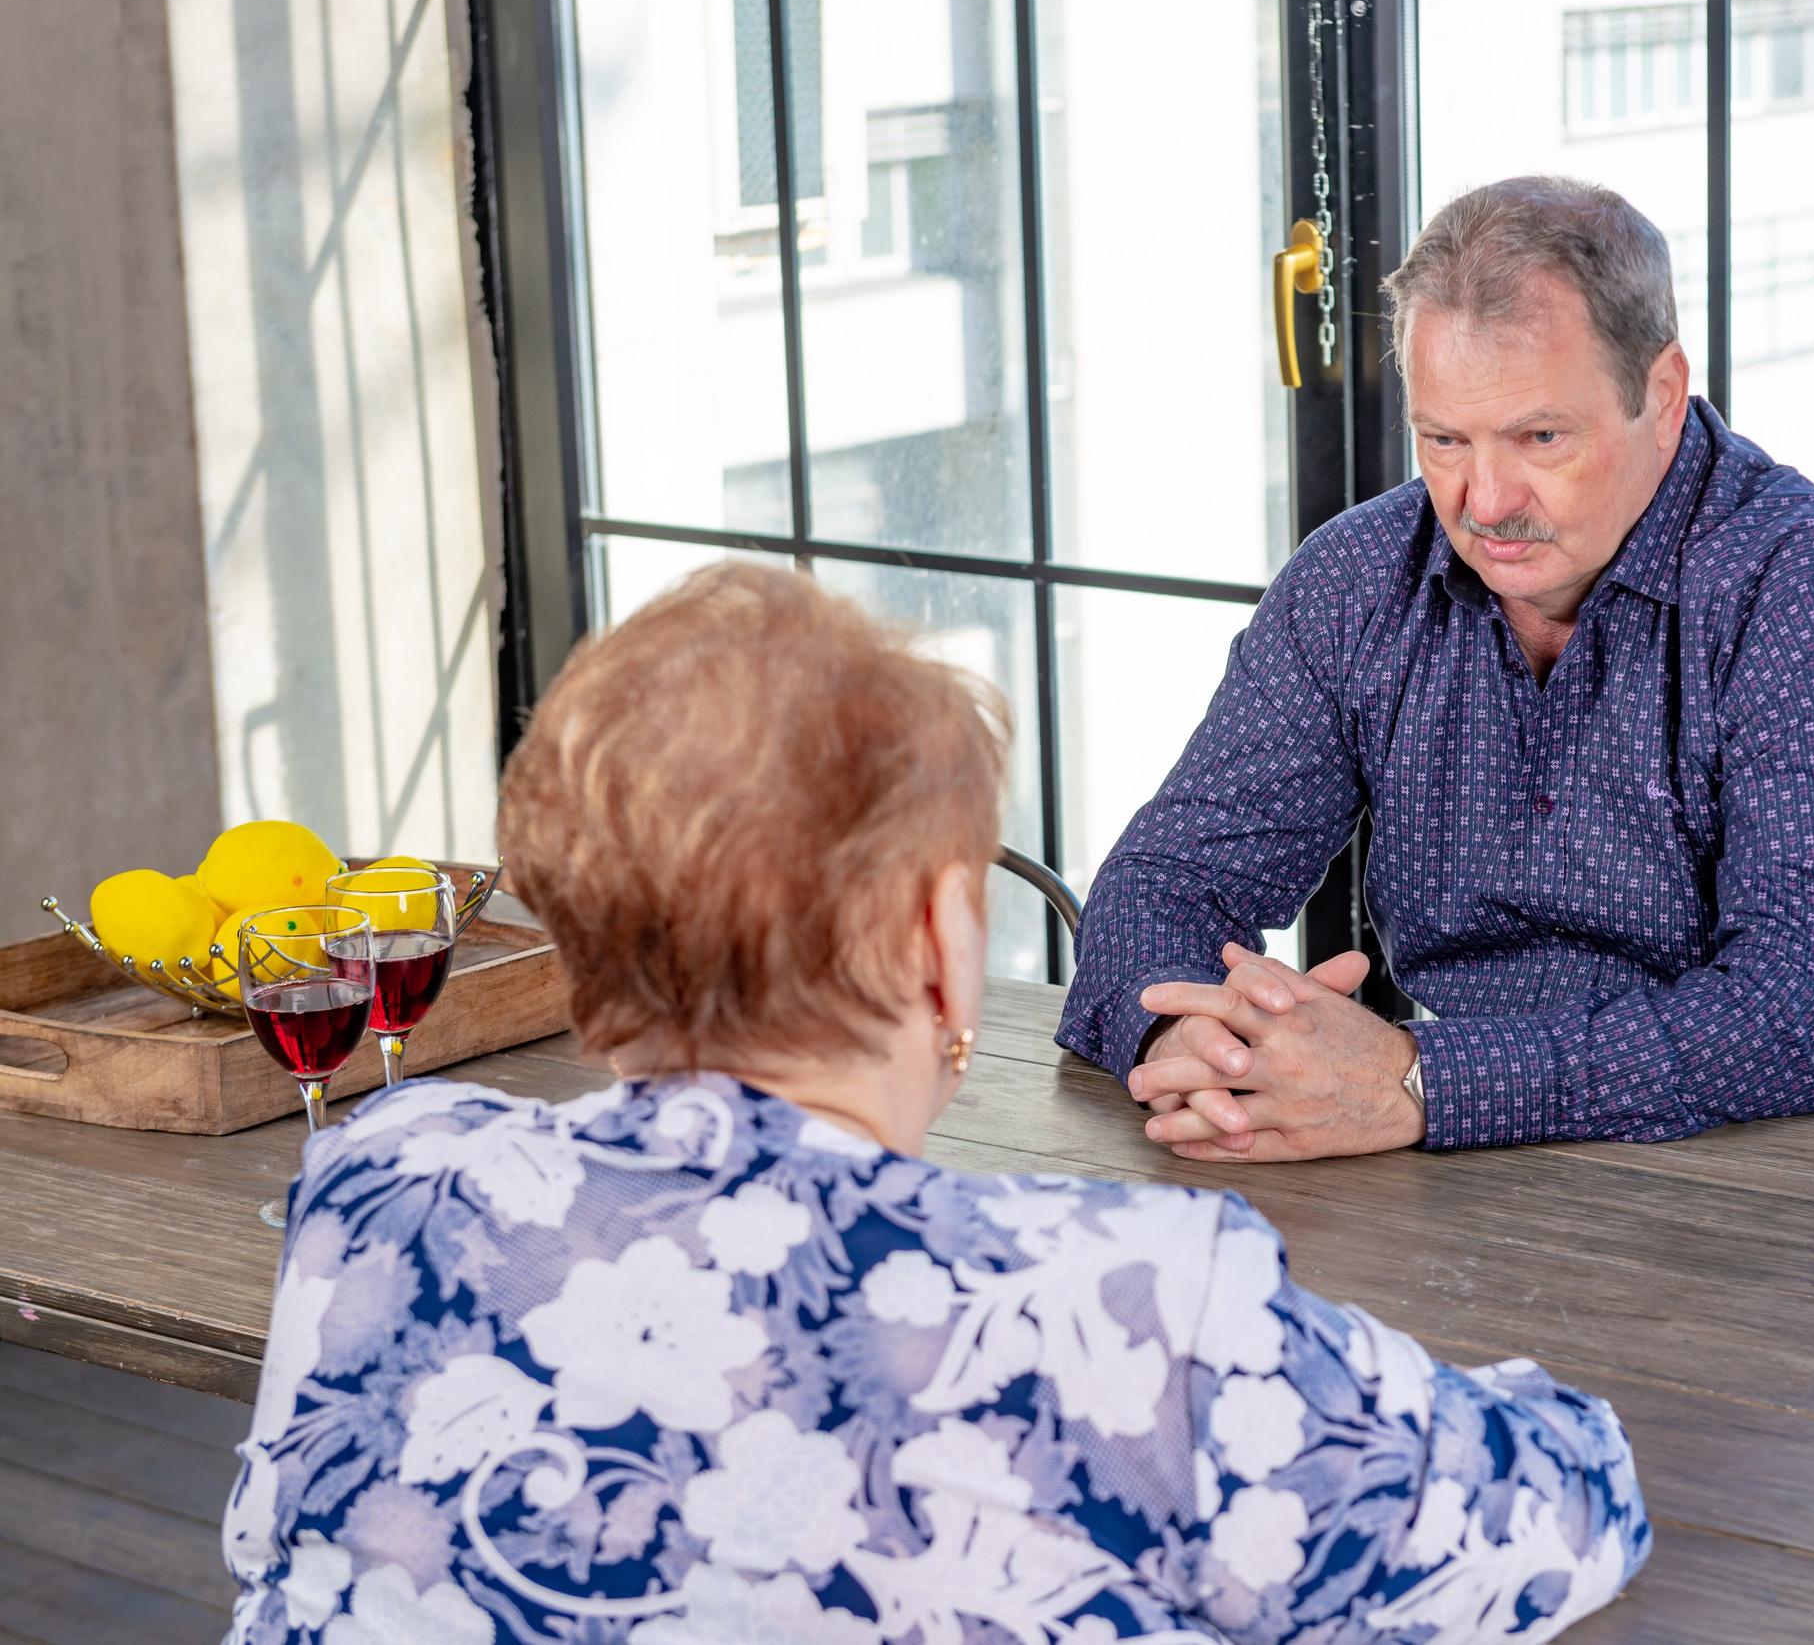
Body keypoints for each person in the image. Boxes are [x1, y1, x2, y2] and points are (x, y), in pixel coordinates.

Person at [219, 564, 1647, 1645]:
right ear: (936, 942)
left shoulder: (375, 1196)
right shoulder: (1129, 1309)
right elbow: (1568, 1508)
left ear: (583, 960)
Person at [1059, 175, 1814, 1163]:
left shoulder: (1808, 587)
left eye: (1540, 437)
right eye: (1443, 440)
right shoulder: (1356, 580)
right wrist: (1203, 1049)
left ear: (1661, 392)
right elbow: (1162, 881)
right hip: (1511, 1174)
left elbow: (1798, 1018)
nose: (1484, 499)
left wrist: (1415, 1081)